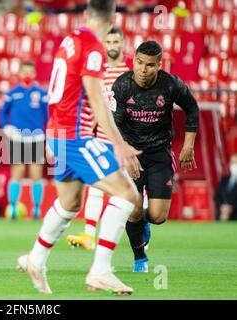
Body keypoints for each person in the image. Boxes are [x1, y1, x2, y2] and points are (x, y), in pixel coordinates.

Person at [17, 0, 142, 295]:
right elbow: (97, 98)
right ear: (112, 17)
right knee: (128, 194)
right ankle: (100, 271)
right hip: (75, 137)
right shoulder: (93, 48)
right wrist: (120, 144)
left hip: (59, 133)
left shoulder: (69, 40)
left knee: (70, 204)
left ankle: (35, 259)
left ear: (86, 15)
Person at [110, 40, 199, 272]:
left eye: (149, 65)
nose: (142, 69)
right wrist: (126, 155)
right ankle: (140, 259)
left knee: (158, 216)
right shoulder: (121, 86)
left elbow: (192, 108)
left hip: (160, 153)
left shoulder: (171, 84)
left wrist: (188, 145)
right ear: (133, 61)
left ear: (158, 65)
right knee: (134, 208)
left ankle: (143, 223)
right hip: (132, 154)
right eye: (139, 62)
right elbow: (114, 125)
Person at [66, 27, 139, 250]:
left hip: (128, 139)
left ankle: (139, 239)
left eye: (116, 41)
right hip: (102, 137)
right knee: (96, 187)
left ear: (123, 43)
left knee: (133, 192)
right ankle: (89, 235)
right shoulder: (97, 69)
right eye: (108, 41)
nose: (112, 46)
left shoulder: (131, 67)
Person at [0, 61, 48, 219]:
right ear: (19, 74)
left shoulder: (41, 93)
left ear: (34, 74)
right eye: (24, 71)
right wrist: (7, 128)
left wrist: (47, 132)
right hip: (18, 137)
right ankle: (12, 207)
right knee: (17, 173)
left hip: (37, 137)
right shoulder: (12, 93)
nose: (27, 74)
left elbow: (48, 115)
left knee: (36, 174)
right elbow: (2, 113)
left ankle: (37, 209)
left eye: (30, 71)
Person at [214, 153, 237, 221]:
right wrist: (222, 207)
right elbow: (217, 196)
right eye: (233, 163)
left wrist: (231, 208)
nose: (234, 165)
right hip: (221, 216)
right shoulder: (224, 179)